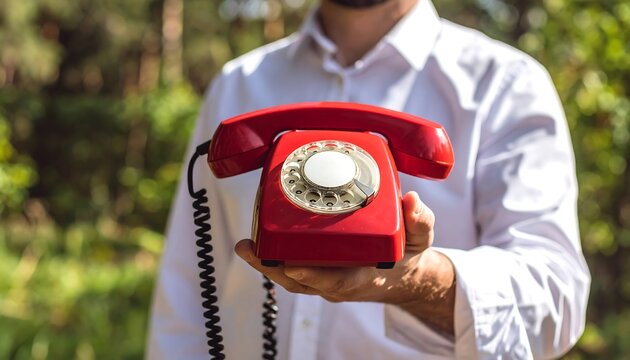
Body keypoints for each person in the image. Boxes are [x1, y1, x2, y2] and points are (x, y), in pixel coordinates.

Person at [146, 0, 591, 358]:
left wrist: (421, 280)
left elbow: (557, 304)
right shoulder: (237, 84)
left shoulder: (506, 84)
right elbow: (185, 294)